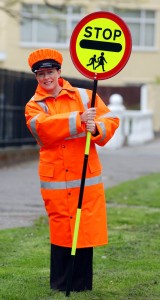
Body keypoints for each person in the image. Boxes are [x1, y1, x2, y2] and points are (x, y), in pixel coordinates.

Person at [25, 48, 119, 292]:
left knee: (83, 229)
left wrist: (95, 127)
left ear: (59, 72)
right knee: (61, 230)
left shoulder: (86, 96)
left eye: (50, 72)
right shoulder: (34, 106)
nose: (46, 78)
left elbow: (111, 121)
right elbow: (43, 130)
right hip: (56, 178)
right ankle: (60, 284)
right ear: (36, 77)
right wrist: (78, 120)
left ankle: (81, 285)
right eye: (40, 74)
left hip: (84, 176)